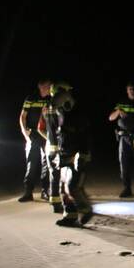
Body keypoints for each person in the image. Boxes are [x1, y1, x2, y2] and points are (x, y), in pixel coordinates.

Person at [48, 89, 94, 227]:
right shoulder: (62, 113)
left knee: (73, 187)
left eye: (59, 107)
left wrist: (83, 155)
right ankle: (70, 216)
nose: (57, 111)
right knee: (63, 188)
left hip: (76, 156)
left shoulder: (79, 117)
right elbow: (60, 135)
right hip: (65, 155)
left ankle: (86, 210)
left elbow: (85, 138)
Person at [40, 80, 72, 213]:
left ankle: (55, 203)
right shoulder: (61, 109)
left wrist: (50, 140)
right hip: (60, 146)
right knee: (66, 175)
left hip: (50, 146)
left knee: (53, 175)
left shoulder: (47, 107)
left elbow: (41, 128)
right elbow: (65, 127)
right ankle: (68, 204)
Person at [108, 82, 134, 198]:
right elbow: (110, 118)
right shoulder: (122, 102)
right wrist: (118, 111)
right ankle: (126, 188)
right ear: (127, 90)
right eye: (130, 89)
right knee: (124, 165)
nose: (132, 91)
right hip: (124, 138)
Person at [17, 78, 52, 202]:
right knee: (32, 163)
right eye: (46, 85)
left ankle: (45, 191)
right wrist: (25, 133)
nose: (48, 88)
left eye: (49, 85)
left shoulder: (51, 99)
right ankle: (28, 192)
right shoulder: (31, 98)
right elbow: (22, 116)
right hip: (33, 135)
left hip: (47, 134)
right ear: (40, 86)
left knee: (47, 163)